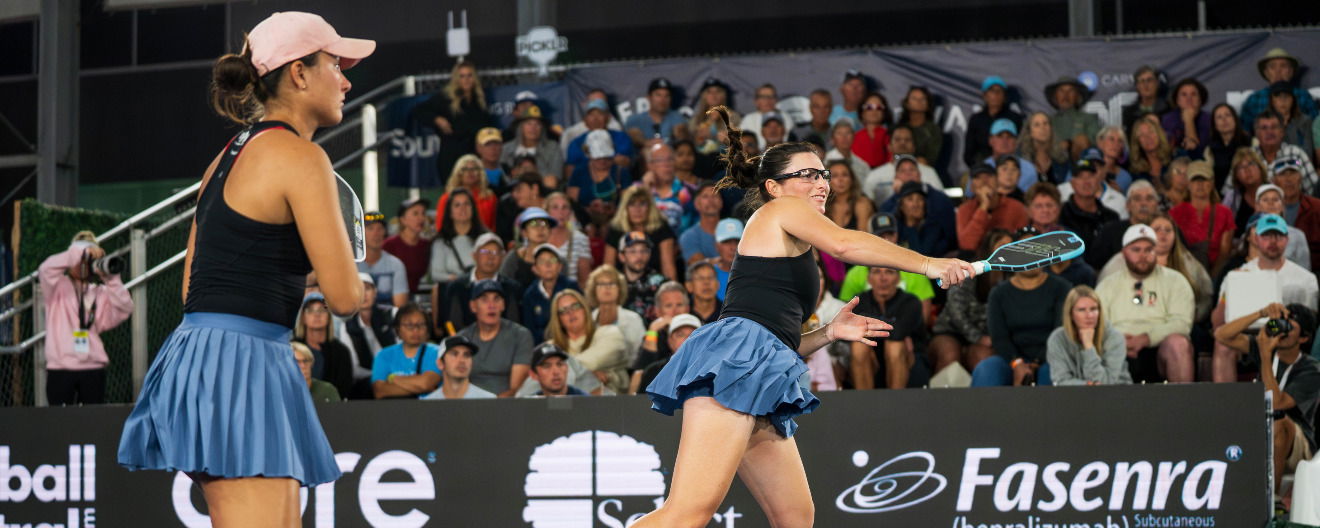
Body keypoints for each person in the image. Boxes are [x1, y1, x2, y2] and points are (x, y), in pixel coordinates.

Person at [633, 107, 973, 528]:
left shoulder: (796, 239)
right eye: (808, 174)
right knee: (688, 514)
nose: (821, 182)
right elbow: (846, 245)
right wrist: (929, 265)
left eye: (824, 174)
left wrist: (829, 332)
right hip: (733, 365)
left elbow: (781, 339)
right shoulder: (780, 212)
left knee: (795, 517)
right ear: (775, 187)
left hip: (762, 370)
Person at [119, 14, 371, 522]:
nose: (346, 80)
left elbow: (194, 282)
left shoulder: (225, 157)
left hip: (222, 356)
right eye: (335, 64)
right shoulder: (301, 158)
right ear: (299, 74)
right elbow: (346, 299)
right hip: (240, 363)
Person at [1213, 302, 1319, 495]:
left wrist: (1265, 356)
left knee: (1278, 422)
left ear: (1303, 338)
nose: (1281, 330)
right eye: (1280, 322)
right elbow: (1221, 335)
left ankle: (1272, 499)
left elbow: (1276, 403)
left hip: (1300, 445)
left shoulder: (1311, 370)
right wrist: (1260, 313)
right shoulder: (1267, 349)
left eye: (1289, 327)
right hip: (1260, 429)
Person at [40, 231, 134, 405]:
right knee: (60, 426)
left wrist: (111, 279)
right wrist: (80, 252)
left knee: (92, 425)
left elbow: (125, 308)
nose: (83, 264)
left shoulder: (100, 292)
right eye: (79, 259)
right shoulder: (56, 287)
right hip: (60, 369)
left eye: (88, 260)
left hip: (93, 368)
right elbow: (46, 269)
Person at [1094, 224, 1194, 383]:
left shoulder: (1176, 280)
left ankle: (1182, 405)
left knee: (1179, 344)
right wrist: (1118, 340)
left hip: (1160, 347)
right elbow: (1097, 325)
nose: (1143, 255)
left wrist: (1147, 338)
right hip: (1118, 346)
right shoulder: (1107, 284)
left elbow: (1182, 324)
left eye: (1149, 249)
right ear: (1124, 252)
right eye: (1136, 250)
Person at [972, 229, 1072, 387]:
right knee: (987, 369)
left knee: (1052, 370)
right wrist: (1017, 363)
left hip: (1052, 356)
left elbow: (1060, 331)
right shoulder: (999, 293)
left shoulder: (1061, 288)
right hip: (1011, 358)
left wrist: (1038, 362)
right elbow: (999, 337)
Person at [1101, 213, 1214, 323]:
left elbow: (1205, 296)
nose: (1163, 233)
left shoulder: (1188, 261)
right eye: (1157, 229)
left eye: (1168, 230)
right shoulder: (1120, 261)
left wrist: (1192, 317)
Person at [930, 229, 1012, 377]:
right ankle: (941, 399)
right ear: (989, 249)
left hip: (987, 337)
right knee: (950, 355)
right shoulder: (971, 272)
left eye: (1010, 246)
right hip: (951, 331)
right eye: (1001, 246)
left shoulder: (1012, 279)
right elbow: (957, 314)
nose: (1006, 251)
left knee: (986, 360)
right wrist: (977, 338)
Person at [849, 266, 928, 390]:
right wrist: (893, 324)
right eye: (876, 272)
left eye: (889, 272)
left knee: (894, 346)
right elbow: (850, 330)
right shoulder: (859, 301)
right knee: (858, 347)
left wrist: (865, 319)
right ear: (868, 279)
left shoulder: (911, 302)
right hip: (871, 360)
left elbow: (899, 332)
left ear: (898, 279)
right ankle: (863, 404)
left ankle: (895, 405)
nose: (883, 278)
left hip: (908, 360)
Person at [413, 60, 494, 179]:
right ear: (456, 78)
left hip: (474, 156)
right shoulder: (446, 98)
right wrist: (437, 119)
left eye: (469, 75)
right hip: (452, 156)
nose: (466, 79)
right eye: (462, 76)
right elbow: (418, 111)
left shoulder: (480, 100)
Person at [455, 279, 534, 397]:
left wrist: (490, 407)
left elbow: (516, 389)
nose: (491, 306)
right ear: (473, 306)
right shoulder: (462, 338)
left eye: (496, 299)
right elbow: (456, 383)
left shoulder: (521, 335)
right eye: (484, 300)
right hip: (468, 405)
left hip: (507, 406)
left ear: (503, 305)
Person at [546, 289, 630, 393]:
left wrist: (576, 375)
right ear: (558, 319)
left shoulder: (610, 334)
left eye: (575, 306)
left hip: (611, 404)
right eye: (563, 311)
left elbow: (548, 377)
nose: (570, 313)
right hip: (564, 405)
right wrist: (588, 376)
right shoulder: (551, 347)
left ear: (585, 308)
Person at [1046, 285, 1132, 385]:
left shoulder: (1114, 338)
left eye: (1094, 309)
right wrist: (1086, 386)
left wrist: (1088, 347)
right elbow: (1060, 380)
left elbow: (1106, 383)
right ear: (1070, 314)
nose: (1089, 316)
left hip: (1117, 395)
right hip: (1075, 396)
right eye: (1082, 310)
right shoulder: (1057, 339)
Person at [438, 232, 521, 330]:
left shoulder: (512, 288)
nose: (490, 257)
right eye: (485, 252)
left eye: (496, 252)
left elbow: (515, 323)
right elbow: (450, 324)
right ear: (474, 255)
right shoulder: (456, 287)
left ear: (503, 257)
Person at [1170, 160, 1235, 270]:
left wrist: (1213, 277)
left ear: (1212, 183)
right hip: (1182, 269)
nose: (1200, 184)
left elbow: (1225, 252)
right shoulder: (1175, 213)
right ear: (1188, 184)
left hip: (1214, 270)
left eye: (1204, 179)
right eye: (1195, 180)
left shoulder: (1225, 213)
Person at [603, 186, 679, 281]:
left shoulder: (661, 228)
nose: (637, 210)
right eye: (632, 204)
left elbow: (668, 268)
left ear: (650, 207)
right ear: (625, 208)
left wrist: (672, 292)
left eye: (642, 204)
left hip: (655, 285)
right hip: (622, 287)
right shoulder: (616, 229)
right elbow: (608, 268)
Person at [1239, 48, 1319, 133]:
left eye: (1283, 66)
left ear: (1291, 71)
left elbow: (1317, 130)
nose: (1278, 71)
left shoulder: (1304, 96)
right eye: (1272, 67)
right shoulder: (1254, 99)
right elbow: (1245, 132)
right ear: (1266, 72)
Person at [371, 303, 442, 398]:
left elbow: (426, 384)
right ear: (398, 329)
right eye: (409, 325)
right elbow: (380, 391)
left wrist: (393, 378)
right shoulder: (384, 355)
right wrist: (418, 386)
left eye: (420, 325)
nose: (415, 330)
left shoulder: (437, 352)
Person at [1059, 159, 1120, 269]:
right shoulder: (1061, 214)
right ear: (1072, 183)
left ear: (1098, 181)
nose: (1086, 182)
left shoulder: (1111, 216)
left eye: (1091, 176)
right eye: (1080, 177)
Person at [342, 273, 396, 398]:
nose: (363, 294)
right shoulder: (348, 326)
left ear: (375, 292)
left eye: (367, 288)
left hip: (397, 376)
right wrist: (378, 376)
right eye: (357, 289)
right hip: (367, 381)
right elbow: (353, 367)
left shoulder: (392, 314)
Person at [293, 292, 354, 397]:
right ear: (303, 317)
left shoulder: (341, 351)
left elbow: (344, 389)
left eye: (322, 310)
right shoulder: (291, 348)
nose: (317, 315)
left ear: (329, 316)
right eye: (310, 310)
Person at [862, 127, 945, 204]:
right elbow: (866, 204)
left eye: (907, 140)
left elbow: (941, 201)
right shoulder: (875, 175)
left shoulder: (929, 172)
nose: (902, 143)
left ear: (914, 147)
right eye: (897, 140)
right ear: (889, 146)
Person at [957, 163, 1028, 252]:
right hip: (976, 260)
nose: (984, 181)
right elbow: (967, 245)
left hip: (1010, 257)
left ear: (998, 182)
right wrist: (983, 207)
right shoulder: (964, 209)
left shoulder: (1016, 207)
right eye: (978, 177)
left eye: (989, 176)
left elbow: (1024, 241)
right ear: (972, 187)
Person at [430, 187, 489, 287]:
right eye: (457, 205)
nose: (463, 208)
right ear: (450, 212)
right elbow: (436, 274)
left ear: (473, 208)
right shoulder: (441, 242)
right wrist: (460, 279)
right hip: (453, 293)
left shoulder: (486, 239)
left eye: (467, 204)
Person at [563, 97, 633, 179]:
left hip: (616, 179)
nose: (595, 118)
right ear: (585, 120)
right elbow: (570, 171)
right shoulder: (576, 143)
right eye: (591, 114)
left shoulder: (621, 137)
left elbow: (624, 161)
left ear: (608, 118)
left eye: (600, 113)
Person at [964, 76, 1024, 170]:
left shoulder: (1014, 118)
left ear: (1004, 96)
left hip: (1010, 166)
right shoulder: (976, 119)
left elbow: (1021, 146)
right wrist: (980, 170)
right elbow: (969, 153)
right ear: (985, 95)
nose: (996, 94)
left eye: (999, 91)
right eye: (992, 91)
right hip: (982, 166)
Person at [1272, 155, 1320, 271]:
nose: (1289, 179)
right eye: (1283, 174)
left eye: (1293, 173)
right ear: (1274, 181)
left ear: (1301, 178)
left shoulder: (1317, 207)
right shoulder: (1267, 210)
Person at [568, 129, 632, 215]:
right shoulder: (579, 172)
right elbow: (571, 202)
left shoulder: (621, 172)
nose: (602, 161)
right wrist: (588, 210)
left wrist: (613, 209)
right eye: (598, 158)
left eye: (606, 157)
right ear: (588, 154)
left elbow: (628, 201)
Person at [587, 264, 645, 357]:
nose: (607, 288)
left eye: (612, 283)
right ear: (593, 290)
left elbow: (640, 354)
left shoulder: (634, 319)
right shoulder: (587, 321)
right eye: (601, 284)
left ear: (620, 288)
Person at [1254, 110, 1318, 196]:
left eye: (1274, 127)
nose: (1269, 132)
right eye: (1264, 128)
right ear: (1257, 133)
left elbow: (1314, 189)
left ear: (1282, 131)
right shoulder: (1250, 157)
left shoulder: (1296, 155)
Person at [1252, 184, 1312, 270]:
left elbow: (1305, 269)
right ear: (1257, 206)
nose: (1270, 203)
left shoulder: (1298, 235)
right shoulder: (1250, 233)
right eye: (1265, 200)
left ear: (1283, 206)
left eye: (1275, 199)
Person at [434, 153, 498, 233]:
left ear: (480, 173)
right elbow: (440, 228)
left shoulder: (489, 197)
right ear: (458, 173)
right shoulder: (446, 198)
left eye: (474, 169)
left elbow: (494, 227)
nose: (470, 172)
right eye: (465, 169)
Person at [640, 143, 695, 233]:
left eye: (670, 159)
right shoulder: (638, 190)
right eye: (660, 160)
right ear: (650, 165)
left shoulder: (688, 191)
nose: (666, 164)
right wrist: (646, 189)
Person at [892, 181, 956, 258]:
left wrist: (910, 225)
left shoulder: (934, 226)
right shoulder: (895, 227)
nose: (916, 204)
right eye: (910, 199)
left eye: (920, 199)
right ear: (901, 206)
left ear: (925, 204)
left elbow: (921, 257)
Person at [420, 335, 496, 400]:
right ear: (440, 363)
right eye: (454, 354)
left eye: (466, 355)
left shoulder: (489, 400)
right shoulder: (428, 404)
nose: (462, 360)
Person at [359, 211, 408, 307]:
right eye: (370, 228)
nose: (376, 233)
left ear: (385, 232)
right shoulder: (351, 265)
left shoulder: (396, 265)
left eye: (380, 228)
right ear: (360, 233)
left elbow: (400, 305)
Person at [1045, 75, 1100, 160]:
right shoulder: (1047, 122)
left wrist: (1073, 144)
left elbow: (1096, 144)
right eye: (1061, 91)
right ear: (1055, 96)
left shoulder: (1089, 119)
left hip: (1084, 165)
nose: (1065, 96)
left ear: (1078, 96)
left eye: (1070, 91)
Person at [501, 206, 556, 291]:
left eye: (544, 224)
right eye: (534, 224)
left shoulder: (558, 258)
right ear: (524, 232)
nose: (540, 229)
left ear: (550, 231)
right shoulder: (513, 258)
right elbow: (503, 285)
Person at [383, 197, 432, 295]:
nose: (421, 218)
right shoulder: (389, 245)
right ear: (403, 220)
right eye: (415, 213)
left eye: (423, 213)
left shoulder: (426, 245)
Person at [544, 192, 593, 287]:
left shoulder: (580, 239)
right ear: (547, 212)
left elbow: (584, 280)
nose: (561, 212)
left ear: (570, 212)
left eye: (564, 208)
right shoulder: (537, 238)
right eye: (555, 207)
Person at [500, 105, 564, 178]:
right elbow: (501, 176)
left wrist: (535, 172)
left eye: (538, 124)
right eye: (528, 123)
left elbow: (556, 176)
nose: (533, 128)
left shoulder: (553, 148)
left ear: (542, 128)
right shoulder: (506, 148)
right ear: (520, 127)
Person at [981, 118, 1040, 192]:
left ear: (1016, 141)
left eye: (1010, 136)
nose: (1005, 141)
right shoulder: (982, 168)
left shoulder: (1029, 169)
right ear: (991, 140)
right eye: (1000, 136)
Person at [625, 77, 688, 145]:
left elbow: (683, 139)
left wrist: (681, 135)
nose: (663, 100)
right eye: (658, 95)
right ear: (649, 97)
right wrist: (645, 142)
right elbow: (633, 135)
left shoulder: (677, 118)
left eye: (667, 96)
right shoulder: (635, 120)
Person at [1222, 147, 1269, 237]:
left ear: (1260, 167)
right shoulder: (1232, 197)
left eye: (1251, 164)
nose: (1247, 170)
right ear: (1236, 176)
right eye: (1241, 167)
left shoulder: (1273, 192)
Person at [1160, 78, 1211, 159]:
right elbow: (1166, 150)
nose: (1189, 98)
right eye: (1184, 94)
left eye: (1193, 94)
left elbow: (1196, 151)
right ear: (1177, 100)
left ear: (1200, 99)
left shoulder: (1209, 120)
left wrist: (1189, 120)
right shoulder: (1167, 120)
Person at [1204, 104, 1252, 190]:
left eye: (1228, 115)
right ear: (1215, 125)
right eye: (1219, 117)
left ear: (1235, 119)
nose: (1224, 120)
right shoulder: (1210, 150)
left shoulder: (1251, 143)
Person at [1018, 111, 1070, 184]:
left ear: (1051, 129)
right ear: (1030, 132)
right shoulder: (1021, 160)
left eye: (1045, 123)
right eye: (1037, 125)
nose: (1043, 128)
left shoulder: (1061, 158)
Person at [824, 159, 874, 231]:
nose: (840, 180)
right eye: (835, 176)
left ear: (851, 179)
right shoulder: (822, 205)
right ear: (827, 181)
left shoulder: (862, 203)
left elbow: (863, 238)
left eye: (845, 175)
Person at [679, 183, 723, 265]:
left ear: (721, 202)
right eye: (705, 197)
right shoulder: (688, 236)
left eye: (715, 195)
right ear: (696, 204)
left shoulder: (734, 230)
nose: (711, 200)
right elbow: (699, 264)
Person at [741, 84, 795, 150]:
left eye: (771, 96)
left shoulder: (786, 117)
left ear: (776, 99)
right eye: (763, 97)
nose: (768, 100)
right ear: (756, 101)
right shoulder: (748, 119)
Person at [898, 86, 942, 166]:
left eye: (923, 99)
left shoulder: (933, 130)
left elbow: (931, 158)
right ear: (907, 103)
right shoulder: (898, 128)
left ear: (928, 104)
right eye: (914, 98)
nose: (919, 101)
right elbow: (893, 154)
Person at [525, 342, 589, 397]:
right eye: (547, 366)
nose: (556, 372)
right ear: (533, 375)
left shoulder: (586, 403)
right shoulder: (528, 406)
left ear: (567, 368)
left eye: (560, 364)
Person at [1121, 65, 1170, 133]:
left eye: (1149, 80)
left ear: (1157, 83)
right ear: (1137, 86)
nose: (1145, 85)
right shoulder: (1129, 113)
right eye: (1142, 81)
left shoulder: (1169, 110)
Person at [851, 92, 892, 168]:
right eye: (869, 107)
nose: (874, 111)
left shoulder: (892, 136)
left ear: (884, 112)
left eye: (879, 107)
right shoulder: (853, 137)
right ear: (862, 112)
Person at [1129, 116, 1173, 184]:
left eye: (1151, 132)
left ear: (1159, 134)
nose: (1148, 137)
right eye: (1142, 135)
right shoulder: (1136, 173)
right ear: (1137, 142)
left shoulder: (1175, 157)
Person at [1094, 125, 1134, 193]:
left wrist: (1118, 194)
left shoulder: (1125, 177)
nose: (1116, 144)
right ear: (1100, 143)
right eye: (1111, 139)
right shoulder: (1086, 168)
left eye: (1120, 141)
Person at [475, 127, 512, 196]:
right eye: (488, 144)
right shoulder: (472, 171)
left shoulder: (508, 170)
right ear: (478, 148)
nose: (493, 148)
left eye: (496, 144)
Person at [685, 260, 723, 325]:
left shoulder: (728, 314)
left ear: (718, 284)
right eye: (700, 278)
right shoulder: (683, 313)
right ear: (689, 286)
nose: (706, 282)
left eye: (710, 277)